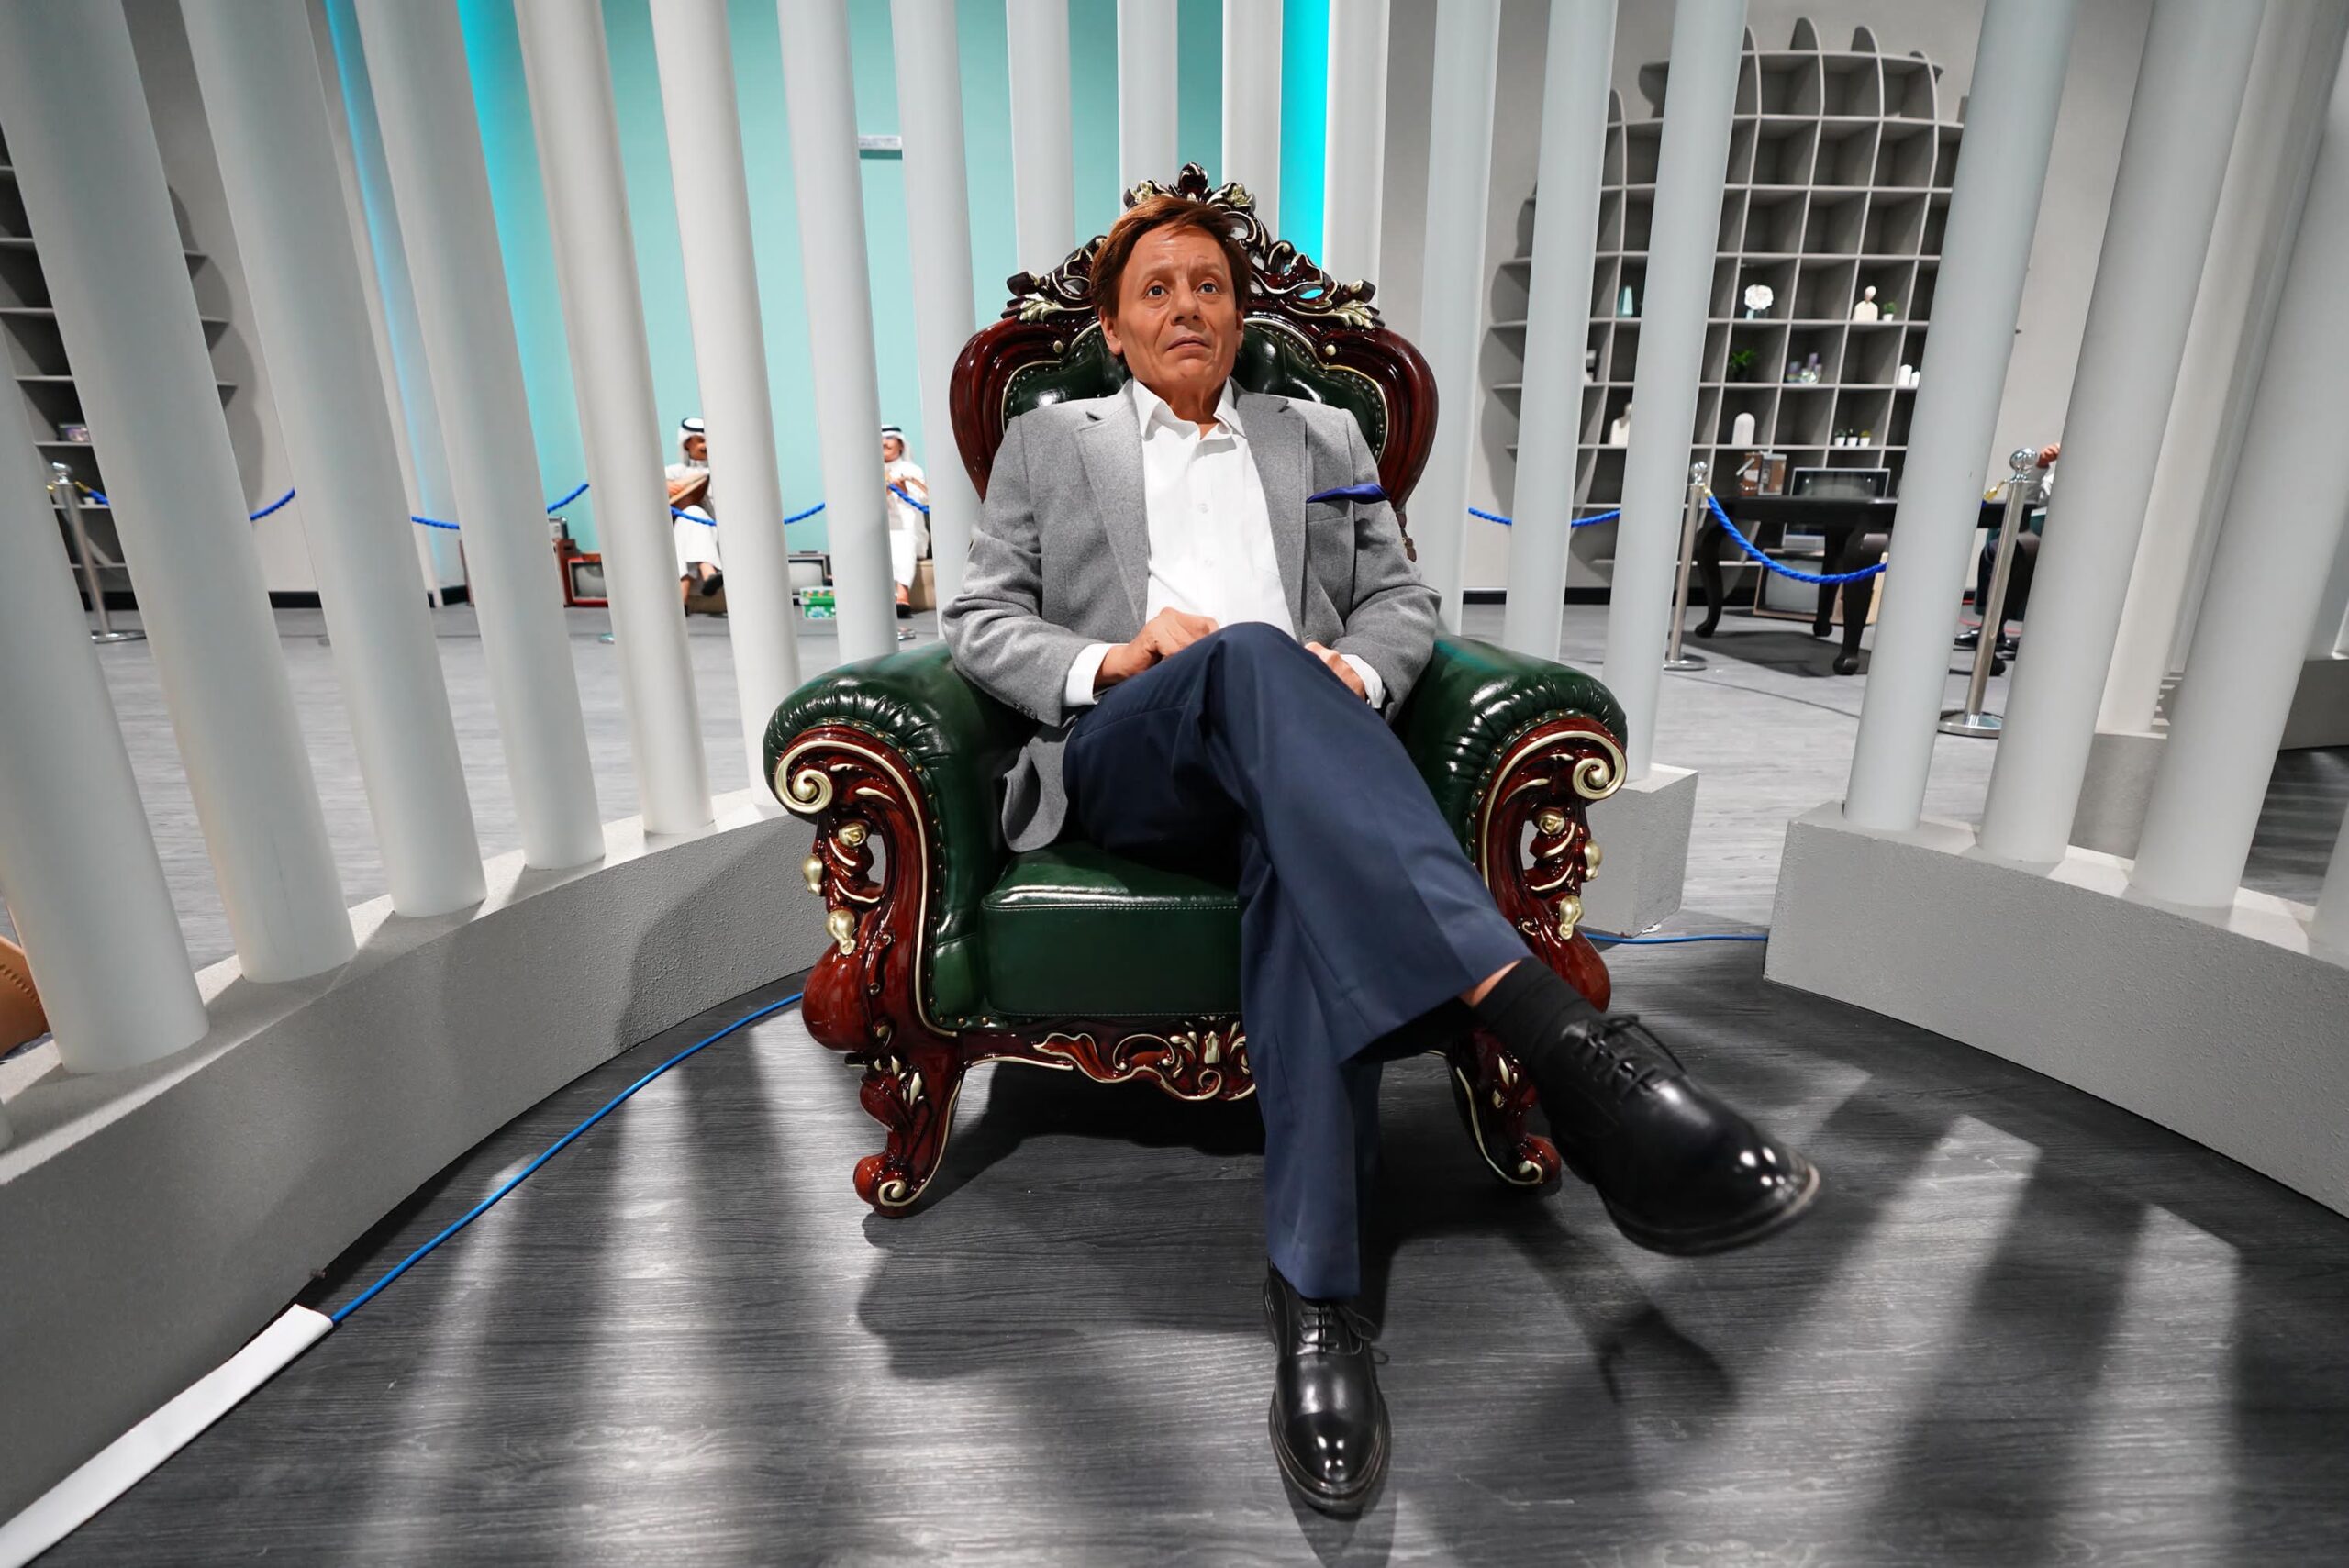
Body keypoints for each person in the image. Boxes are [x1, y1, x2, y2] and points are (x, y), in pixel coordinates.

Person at [942, 193, 1820, 1514]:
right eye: (1156, 291)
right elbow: (977, 619)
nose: (1187, 307)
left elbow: (1401, 598)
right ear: (1113, 331)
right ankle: (1572, 1050)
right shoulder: (1048, 441)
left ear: (1240, 314)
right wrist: (1115, 657)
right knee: (1244, 653)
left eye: (1208, 286)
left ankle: (1318, 1303)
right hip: (1130, 748)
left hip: (1297, 757)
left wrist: (1347, 676)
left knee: (1294, 838)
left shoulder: (1323, 431)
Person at [666, 417, 723, 609]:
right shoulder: (674, 472)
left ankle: (681, 598)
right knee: (689, 519)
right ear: (687, 443)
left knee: (692, 515)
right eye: (700, 441)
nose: (705, 446)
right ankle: (708, 573)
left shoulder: (723, 471)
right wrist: (666, 485)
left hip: (717, 536)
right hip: (687, 538)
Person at [882, 426, 928, 617]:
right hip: (881, 527)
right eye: (881, 438)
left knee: (904, 539)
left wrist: (904, 490)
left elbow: (925, 499)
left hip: (910, 528)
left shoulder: (912, 470)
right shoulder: (868, 471)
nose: (884, 442)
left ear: (901, 444)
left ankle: (902, 595)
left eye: (889, 438)